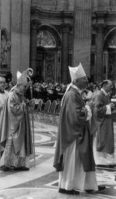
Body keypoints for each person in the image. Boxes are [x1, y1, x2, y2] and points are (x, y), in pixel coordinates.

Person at [53, 63, 105, 195]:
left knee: (79, 161)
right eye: (84, 78)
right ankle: (67, 186)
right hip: (73, 136)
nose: (87, 80)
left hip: (76, 133)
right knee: (73, 162)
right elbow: (76, 116)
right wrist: (87, 108)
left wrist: (86, 107)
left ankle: (84, 185)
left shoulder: (75, 93)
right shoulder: (72, 95)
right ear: (76, 80)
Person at [0, 69, 33, 171]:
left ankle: (19, 164)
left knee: (21, 144)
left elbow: (22, 104)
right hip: (13, 124)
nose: (25, 89)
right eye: (24, 87)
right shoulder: (12, 95)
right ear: (19, 85)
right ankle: (5, 164)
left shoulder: (20, 95)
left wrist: (27, 103)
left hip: (20, 124)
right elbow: (13, 109)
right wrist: (24, 105)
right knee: (12, 143)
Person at [91, 80, 115, 168]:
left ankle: (106, 159)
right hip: (101, 122)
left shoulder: (105, 95)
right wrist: (108, 107)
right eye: (110, 85)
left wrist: (110, 107)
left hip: (106, 121)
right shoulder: (99, 95)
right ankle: (100, 160)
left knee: (107, 139)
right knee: (102, 139)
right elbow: (96, 110)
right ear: (104, 85)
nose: (112, 87)